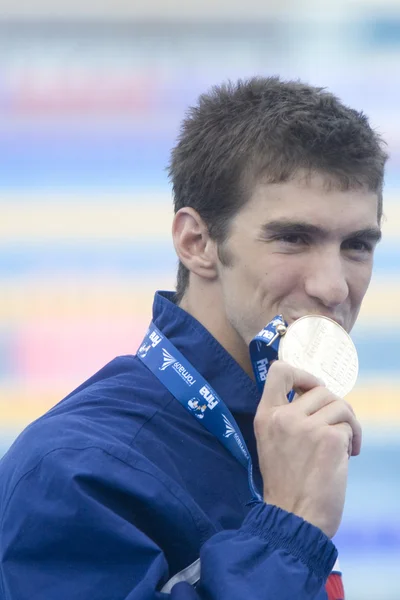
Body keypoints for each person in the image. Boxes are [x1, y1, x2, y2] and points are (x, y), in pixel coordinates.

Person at [0, 76, 387, 600]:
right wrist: (290, 528)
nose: (334, 285)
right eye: (293, 239)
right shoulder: (73, 472)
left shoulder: (281, 437)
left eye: (357, 245)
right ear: (197, 242)